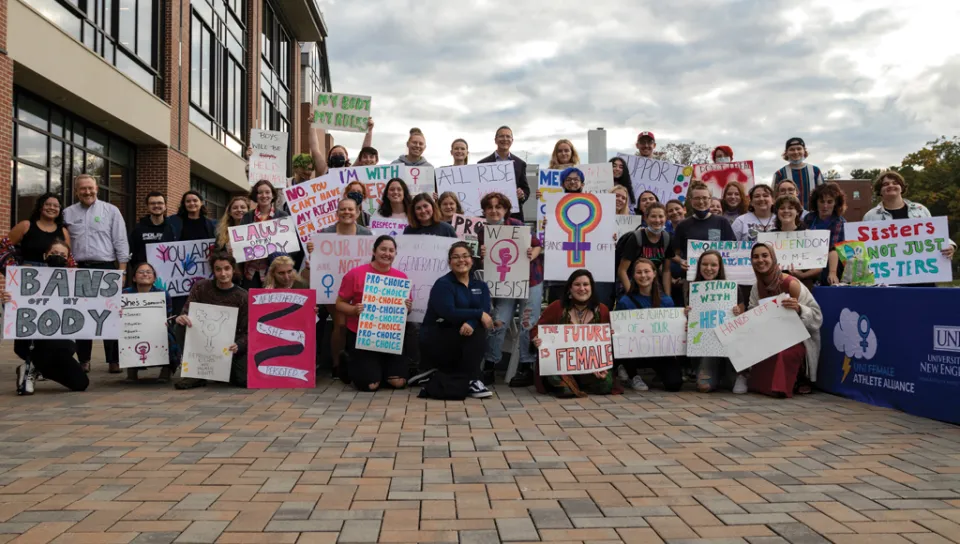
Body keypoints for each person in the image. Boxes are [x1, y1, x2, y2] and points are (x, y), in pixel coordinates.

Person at [734, 243, 822, 397]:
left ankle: (799, 378)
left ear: (773, 258)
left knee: (782, 353)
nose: (760, 260)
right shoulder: (757, 288)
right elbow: (753, 316)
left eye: (764, 255)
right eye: (755, 257)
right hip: (770, 337)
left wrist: (800, 309)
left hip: (798, 339)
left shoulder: (791, 284)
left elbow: (817, 317)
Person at [474, 192, 543, 386]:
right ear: (484, 211)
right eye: (490, 207)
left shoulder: (517, 225)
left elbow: (538, 246)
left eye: (499, 207)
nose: (494, 211)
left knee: (527, 323)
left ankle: (526, 366)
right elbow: (482, 263)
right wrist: (482, 254)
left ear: (505, 209)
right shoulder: (482, 232)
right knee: (499, 321)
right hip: (506, 284)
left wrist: (532, 253)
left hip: (530, 280)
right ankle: (489, 365)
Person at [4, 239, 89, 395]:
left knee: (81, 383)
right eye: (54, 253)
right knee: (51, 348)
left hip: (63, 341)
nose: (58, 257)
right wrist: (8, 299)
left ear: (68, 258)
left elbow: (92, 306)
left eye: (62, 254)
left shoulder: (76, 282)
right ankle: (31, 367)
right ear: (45, 256)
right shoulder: (28, 277)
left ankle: (34, 367)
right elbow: (17, 305)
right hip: (34, 340)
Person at [64, 174, 130, 374]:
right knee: (82, 315)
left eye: (90, 188)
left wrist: (122, 271)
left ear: (97, 189)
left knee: (109, 314)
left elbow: (120, 240)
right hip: (79, 269)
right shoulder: (67, 213)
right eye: (83, 189)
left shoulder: (111, 211)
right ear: (76, 191)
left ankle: (114, 360)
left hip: (106, 268)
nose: (87, 192)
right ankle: (84, 359)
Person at [306, 198, 373, 381]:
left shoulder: (366, 234)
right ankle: (337, 364)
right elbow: (316, 260)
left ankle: (356, 361)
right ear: (337, 213)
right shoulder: (325, 234)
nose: (347, 213)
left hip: (358, 288)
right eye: (343, 209)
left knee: (354, 325)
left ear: (357, 213)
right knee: (340, 324)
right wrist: (312, 250)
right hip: (332, 286)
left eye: (350, 210)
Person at [336, 236, 413, 391]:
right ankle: (350, 363)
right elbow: (339, 303)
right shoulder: (355, 274)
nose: (387, 253)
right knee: (369, 386)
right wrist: (353, 310)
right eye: (383, 249)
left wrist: (408, 307)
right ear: (374, 251)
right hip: (361, 335)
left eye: (391, 250)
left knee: (398, 383)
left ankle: (380, 369)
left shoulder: (401, 278)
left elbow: (406, 309)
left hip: (389, 337)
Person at [419, 241, 495, 399]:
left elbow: (485, 310)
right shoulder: (443, 284)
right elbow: (449, 312)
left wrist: (472, 321)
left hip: (464, 335)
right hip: (439, 337)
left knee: (478, 328)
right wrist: (478, 314)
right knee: (477, 328)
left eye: (465, 256)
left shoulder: (480, 286)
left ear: (472, 260)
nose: (461, 260)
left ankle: (470, 379)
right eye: (456, 257)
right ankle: (473, 380)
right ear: (449, 262)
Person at [532, 270, 615, 398]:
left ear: (592, 288)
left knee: (606, 384)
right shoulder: (557, 307)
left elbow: (606, 344)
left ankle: (580, 383)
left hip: (591, 366)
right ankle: (568, 384)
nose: (582, 289)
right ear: (570, 288)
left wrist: (611, 336)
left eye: (586, 285)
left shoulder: (602, 310)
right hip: (561, 367)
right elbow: (536, 330)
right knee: (556, 378)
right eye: (577, 285)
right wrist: (536, 339)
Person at [174, 252, 249, 389]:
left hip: (229, 347)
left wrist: (239, 345)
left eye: (227, 268)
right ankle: (196, 373)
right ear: (213, 271)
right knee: (179, 326)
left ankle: (219, 371)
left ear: (233, 269)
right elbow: (186, 311)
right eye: (218, 269)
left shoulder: (243, 296)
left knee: (243, 380)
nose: (223, 273)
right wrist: (181, 317)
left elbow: (247, 331)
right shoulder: (201, 287)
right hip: (201, 341)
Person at [861, 170, 955, 278]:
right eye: (885, 184)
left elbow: (935, 233)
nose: (891, 186)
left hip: (923, 273)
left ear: (902, 187)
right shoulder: (870, 216)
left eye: (895, 183)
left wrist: (950, 245)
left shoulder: (920, 210)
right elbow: (864, 246)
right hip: (888, 277)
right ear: (880, 191)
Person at [614, 258, 682, 392]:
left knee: (674, 384)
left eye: (647, 271)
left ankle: (659, 374)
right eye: (639, 272)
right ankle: (631, 373)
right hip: (634, 353)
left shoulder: (666, 301)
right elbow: (619, 331)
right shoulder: (625, 301)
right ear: (633, 276)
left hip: (660, 352)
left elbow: (673, 329)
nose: (643, 275)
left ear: (654, 273)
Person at [686, 250, 748, 394]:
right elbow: (692, 323)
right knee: (704, 387)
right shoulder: (692, 289)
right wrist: (686, 314)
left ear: (720, 267)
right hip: (707, 347)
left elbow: (743, 320)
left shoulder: (732, 289)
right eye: (705, 264)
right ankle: (716, 374)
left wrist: (738, 313)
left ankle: (737, 373)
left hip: (729, 346)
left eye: (713, 265)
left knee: (734, 386)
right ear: (699, 266)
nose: (709, 268)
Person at [122, 262, 178, 384]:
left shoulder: (163, 294)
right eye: (141, 272)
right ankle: (131, 369)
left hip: (156, 329)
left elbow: (168, 315)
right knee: (124, 336)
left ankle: (167, 369)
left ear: (154, 278)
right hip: (133, 328)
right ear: (134, 277)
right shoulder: (125, 294)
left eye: (148, 272)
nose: (145, 274)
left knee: (167, 336)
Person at [667, 182, 736, 278]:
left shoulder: (722, 222)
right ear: (691, 201)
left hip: (718, 279)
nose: (701, 201)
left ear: (710, 200)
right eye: (697, 198)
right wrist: (681, 261)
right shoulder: (683, 225)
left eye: (704, 198)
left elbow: (733, 250)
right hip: (692, 277)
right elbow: (673, 253)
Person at [240, 180, 291, 289]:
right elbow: (240, 243)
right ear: (256, 195)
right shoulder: (247, 217)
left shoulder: (282, 216)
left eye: (267, 192)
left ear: (273, 195)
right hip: (251, 273)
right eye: (260, 192)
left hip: (274, 273)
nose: (264, 195)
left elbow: (291, 244)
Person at [477, 126, 531, 221]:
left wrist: (522, 195)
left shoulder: (520, 164)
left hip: (513, 216)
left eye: (508, 136)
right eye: (501, 136)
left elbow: (526, 190)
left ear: (512, 140)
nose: (505, 139)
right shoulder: (482, 164)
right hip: (489, 215)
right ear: (495, 140)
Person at [617, 203, 671, 297]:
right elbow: (622, 271)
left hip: (652, 286)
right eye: (653, 216)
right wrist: (632, 297)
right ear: (646, 218)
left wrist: (668, 296)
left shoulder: (667, 238)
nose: (657, 220)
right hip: (632, 284)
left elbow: (666, 271)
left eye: (661, 216)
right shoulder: (636, 238)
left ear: (666, 218)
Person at [772, 195, 821, 289]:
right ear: (777, 212)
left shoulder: (808, 235)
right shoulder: (770, 237)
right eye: (782, 208)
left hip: (804, 286)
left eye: (791, 208)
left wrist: (803, 275)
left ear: (798, 212)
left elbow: (819, 265)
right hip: (776, 286)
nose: (786, 211)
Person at [805, 183, 847, 285]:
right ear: (816, 202)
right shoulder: (809, 218)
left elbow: (834, 249)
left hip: (831, 262)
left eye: (829, 202)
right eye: (822, 201)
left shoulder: (840, 222)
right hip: (808, 258)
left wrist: (832, 273)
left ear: (836, 203)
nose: (825, 206)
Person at [773, 137, 824, 209]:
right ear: (786, 153)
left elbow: (824, 194)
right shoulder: (780, 174)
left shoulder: (815, 171)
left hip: (812, 215)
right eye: (792, 149)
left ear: (804, 151)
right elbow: (774, 197)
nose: (796, 152)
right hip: (788, 215)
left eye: (799, 149)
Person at [128, 191, 174, 270]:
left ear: (165, 206)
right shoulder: (138, 229)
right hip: (145, 274)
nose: (156, 205)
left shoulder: (173, 228)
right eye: (152, 203)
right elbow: (131, 252)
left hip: (168, 272)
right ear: (147, 206)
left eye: (160, 203)